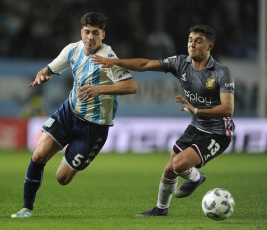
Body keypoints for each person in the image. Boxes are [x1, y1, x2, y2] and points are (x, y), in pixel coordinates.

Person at [92, 25, 235, 216]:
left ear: (210, 46)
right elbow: (145, 65)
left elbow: (228, 109)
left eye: (198, 41)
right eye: (190, 39)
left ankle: (197, 178)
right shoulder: (180, 63)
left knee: (177, 165)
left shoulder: (221, 72)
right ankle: (161, 209)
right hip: (196, 126)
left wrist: (196, 110)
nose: (192, 44)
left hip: (218, 133)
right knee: (169, 170)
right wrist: (117, 62)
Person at [11, 12, 138, 218]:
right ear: (81, 32)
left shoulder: (109, 57)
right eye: (87, 32)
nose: (90, 38)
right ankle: (26, 208)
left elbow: (131, 86)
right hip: (69, 112)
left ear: (103, 35)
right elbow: (49, 69)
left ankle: (75, 150)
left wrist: (100, 90)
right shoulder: (72, 50)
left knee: (62, 178)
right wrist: (42, 75)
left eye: (95, 33)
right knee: (38, 155)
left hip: (94, 126)